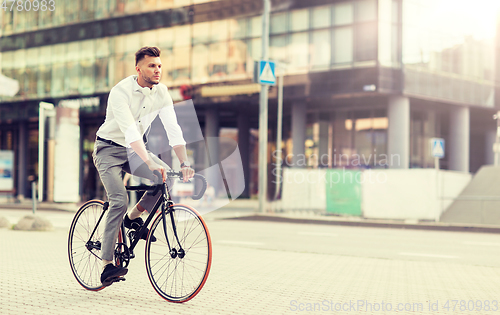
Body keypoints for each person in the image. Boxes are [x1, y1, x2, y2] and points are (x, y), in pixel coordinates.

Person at [93, 46, 194, 286]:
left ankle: (133, 217)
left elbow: (173, 129)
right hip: (108, 149)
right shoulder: (121, 91)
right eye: (152, 66)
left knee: (164, 177)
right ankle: (107, 264)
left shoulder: (162, 92)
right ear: (138, 69)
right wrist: (148, 160)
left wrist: (184, 161)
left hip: (133, 151)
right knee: (118, 200)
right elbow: (129, 131)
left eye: (159, 65)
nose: (157, 70)